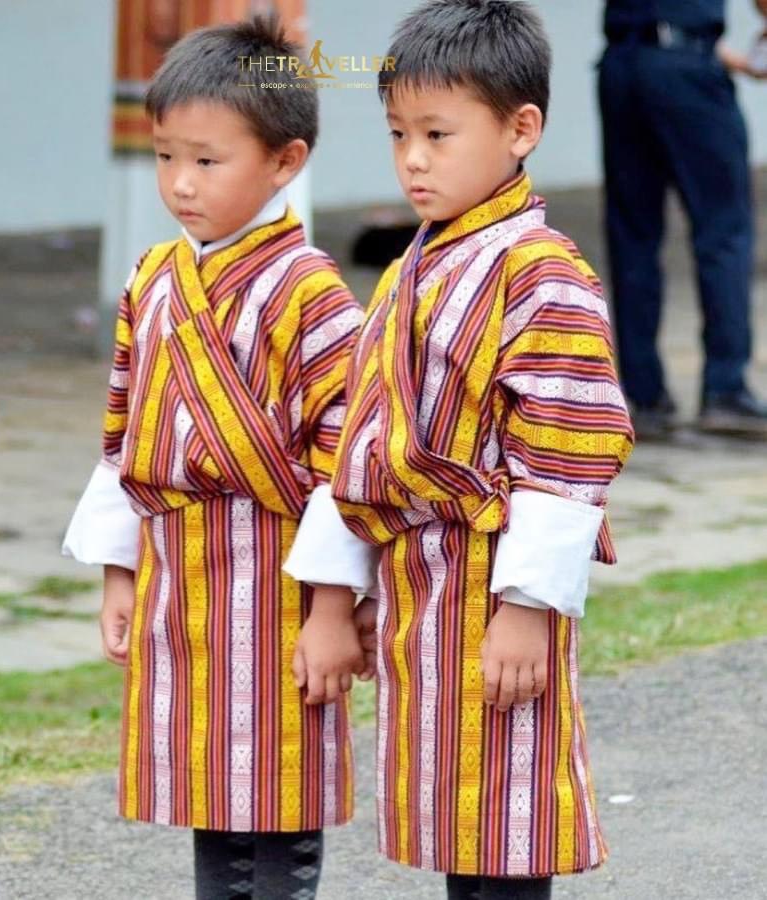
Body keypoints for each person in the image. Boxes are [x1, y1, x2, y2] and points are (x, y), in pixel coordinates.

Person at [284, 2, 635, 898]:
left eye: (438, 134)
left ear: (521, 130)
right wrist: (335, 595)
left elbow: (568, 452)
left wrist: (526, 607)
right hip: (418, 580)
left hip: (492, 575)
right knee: (452, 815)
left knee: (508, 812)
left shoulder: (543, 273)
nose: (413, 159)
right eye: (398, 133)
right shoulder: (410, 269)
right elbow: (360, 441)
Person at [62, 16, 373, 899]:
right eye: (166, 156)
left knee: (277, 786)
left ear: (285, 160)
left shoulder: (312, 294)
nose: (181, 183)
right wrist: (120, 573)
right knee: (210, 783)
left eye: (207, 159)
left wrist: (331, 611)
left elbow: (346, 467)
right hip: (183, 579)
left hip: (277, 583)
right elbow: (125, 437)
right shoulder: (153, 279)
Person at [599, 0, 767, 437]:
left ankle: (644, 397)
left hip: (622, 64)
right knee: (724, 230)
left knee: (633, 235)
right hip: (687, 68)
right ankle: (725, 389)